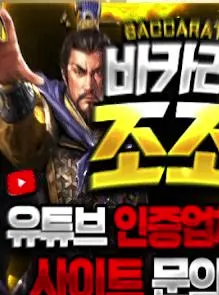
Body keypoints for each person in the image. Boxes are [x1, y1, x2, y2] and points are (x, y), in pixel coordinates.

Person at [0, 3, 141, 205]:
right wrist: (12, 88)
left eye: (98, 72)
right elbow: (26, 145)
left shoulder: (130, 118)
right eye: (80, 72)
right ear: (65, 75)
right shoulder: (51, 109)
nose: (89, 85)